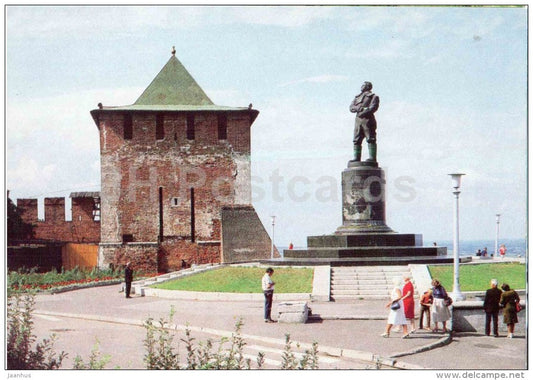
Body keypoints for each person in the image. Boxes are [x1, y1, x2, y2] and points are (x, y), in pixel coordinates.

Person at [349, 81, 380, 162]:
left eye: (363, 85)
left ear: (368, 86)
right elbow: (351, 107)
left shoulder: (373, 96)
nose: (361, 86)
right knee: (356, 140)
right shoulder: (357, 97)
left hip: (368, 119)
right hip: (358, 120)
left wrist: (363, 111)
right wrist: (359, 108)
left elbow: (373, 107)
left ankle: (372, 158)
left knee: (370, 138)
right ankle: (356, 158)